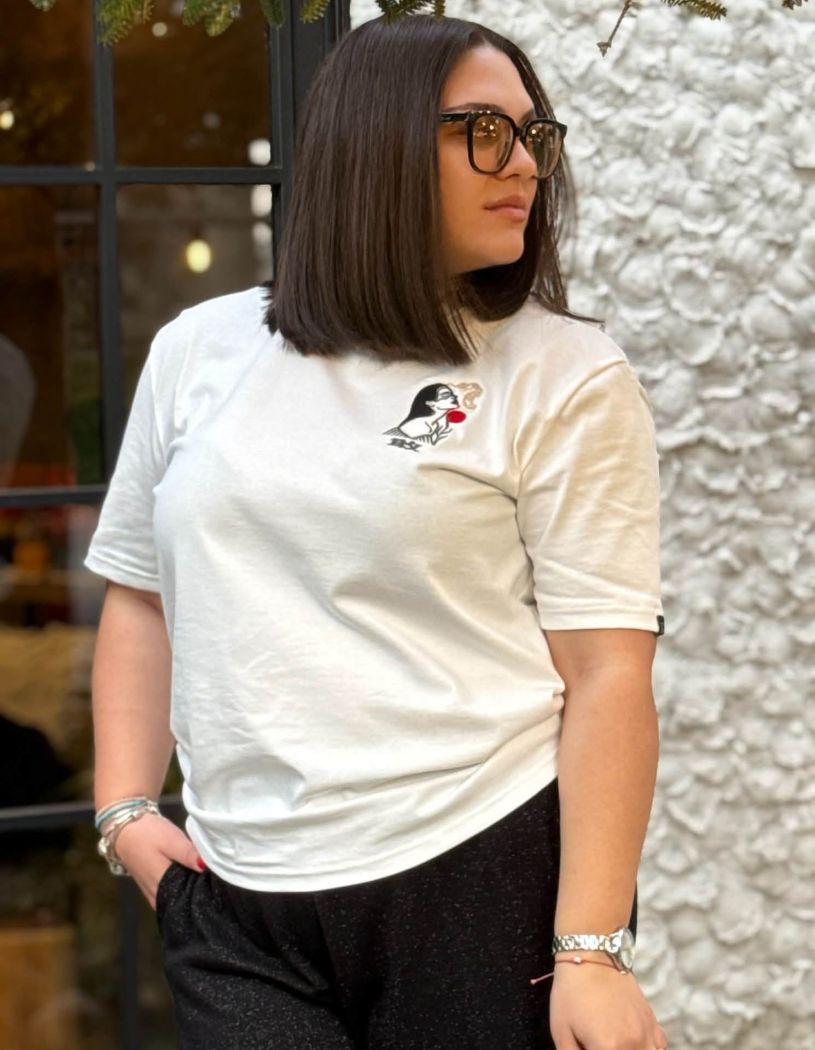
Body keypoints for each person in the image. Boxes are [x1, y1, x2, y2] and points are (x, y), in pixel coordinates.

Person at [85, 13, 669, 1050]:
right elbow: (140, 593)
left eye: (534, 135)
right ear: (376, 141)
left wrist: (591, 951)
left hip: (476, 871)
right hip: (238, 898)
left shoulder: (566, 374)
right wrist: (125, 812)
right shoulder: (200, 350)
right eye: (483, 130)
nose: (523, 165)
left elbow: (608, 671)